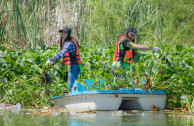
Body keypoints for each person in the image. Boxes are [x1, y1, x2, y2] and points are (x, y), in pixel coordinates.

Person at [46, 27, 81, 92]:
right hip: (75, 66)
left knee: (71, 87)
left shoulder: (69, 43)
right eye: (62, 34)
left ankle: (73, 99)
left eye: (65, 33)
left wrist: (51, 60)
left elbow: (61, 53)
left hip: (74, 67)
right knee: (74, 86)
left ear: (68, 34)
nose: (63, 35)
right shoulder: (71, 41)